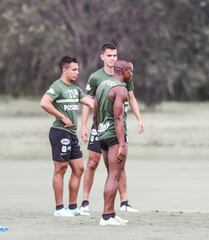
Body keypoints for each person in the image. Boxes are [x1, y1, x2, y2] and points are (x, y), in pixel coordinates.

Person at [80, 43, 144, 213]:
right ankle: (85, 202)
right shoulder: (96, 78)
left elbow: (131, 98)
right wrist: (85, 125)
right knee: (93, 163)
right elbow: (88, 102)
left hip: (113, 128)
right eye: (109, 55)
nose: (112, 58)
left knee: (117, 168)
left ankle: (123, 203)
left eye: (115, 55)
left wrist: (139, 119)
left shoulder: (125, 78)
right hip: (105, 127)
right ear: (102, 57)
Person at [40, 56, 94, 217]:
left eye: (78, 69)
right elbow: (44, 103)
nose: (77, 72)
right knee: (60, 169)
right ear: (65, 70)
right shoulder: (57, 86)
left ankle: (72, 208)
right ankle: (59, 209)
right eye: (74, 69)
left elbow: (91, 103)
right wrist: (62, 117)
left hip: (71, 134)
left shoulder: (76, 89)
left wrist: (110, 104)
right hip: (59, 132)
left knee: (79, 168)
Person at [93, 60, 133, 226]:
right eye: (131, 71)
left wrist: (98, 130)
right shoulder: (121, 89)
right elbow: (117, 118)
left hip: (102, 134)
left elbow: (95, 113)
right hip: (114, 137)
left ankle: (111, 213)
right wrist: (122, 143)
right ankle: (105, 216)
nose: (132, 74)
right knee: (114, 175)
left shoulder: (102, 84)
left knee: (112, 176)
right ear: (123, 71)